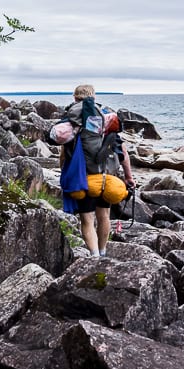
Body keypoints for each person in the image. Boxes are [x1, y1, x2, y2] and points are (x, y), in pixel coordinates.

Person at [60, 84, 135, 257]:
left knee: (87, 220)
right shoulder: (105, 121)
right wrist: (129, 177)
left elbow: (64, 155)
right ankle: (103, 252)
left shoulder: (73, 123)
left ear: (75, 98)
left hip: (85, 180)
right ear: (93, 97)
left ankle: (94, 256)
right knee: (104, 217)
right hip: (107, 180)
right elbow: (123, 152)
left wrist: (65, 174)